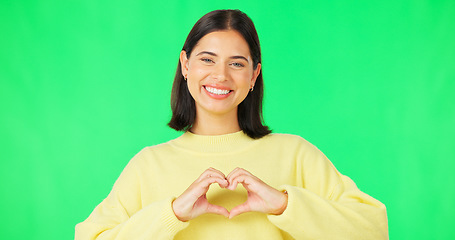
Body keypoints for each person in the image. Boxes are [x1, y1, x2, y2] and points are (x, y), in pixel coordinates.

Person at [75, 9, 388, 240]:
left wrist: (284, 205)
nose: (221, 76)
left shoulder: (295, 154)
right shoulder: (148, 165)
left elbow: (374, 228)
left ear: (253, 76)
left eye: (237, 64)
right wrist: (171, 214)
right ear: (185, 65)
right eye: (207, 59)